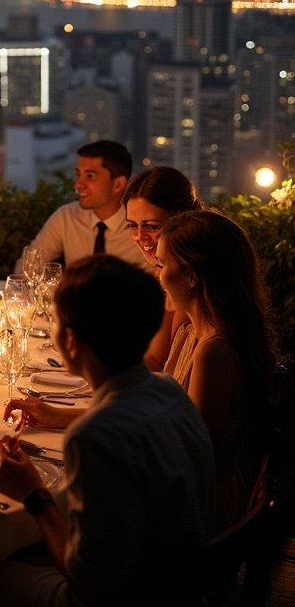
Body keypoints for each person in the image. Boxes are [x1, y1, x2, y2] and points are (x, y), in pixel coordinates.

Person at [0, 255, 216, 607]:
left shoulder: (95, 436)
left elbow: (91, 583)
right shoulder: (169, 390)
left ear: (69, 340)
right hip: (178, 583)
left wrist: (34, 495)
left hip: (130, 598)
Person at [156, 209, 276, 530]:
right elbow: (156, 406)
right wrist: (60, 415)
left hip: (200, 511)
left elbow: (192, 454)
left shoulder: (215, 352)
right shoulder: (189, 331)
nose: (157, 276)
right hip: (180, 487)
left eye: (161, 265)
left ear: (192, 276)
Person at [18, 140, 147, 271]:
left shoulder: (142, 228)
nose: (78, 184)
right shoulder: (66, 217)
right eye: (79, 175)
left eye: (90, 176)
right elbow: (27, 267)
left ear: (118, 184)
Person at [123, 165, 203, 370]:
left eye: (151, 226)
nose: (140, 236)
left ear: (182, 220)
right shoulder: (161, 270)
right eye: (133, 225)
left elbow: (155, 362)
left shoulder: (188, 279)